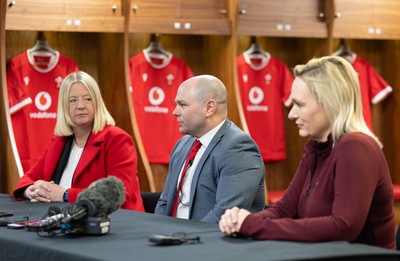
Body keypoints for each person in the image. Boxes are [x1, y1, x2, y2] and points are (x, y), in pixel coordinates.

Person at [219, 56, 395, 249]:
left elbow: (343, 227)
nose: (292, 113)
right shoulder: (317, 147)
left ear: (330, 103)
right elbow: (285, 209)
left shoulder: (355, 147)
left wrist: (253, 225)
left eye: (300, 105)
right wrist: (241, 220)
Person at [13, 71, 144, 211]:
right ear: (64, 107)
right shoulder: (59, 141)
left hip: (117, 223)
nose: (80, 105)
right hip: (67, 220)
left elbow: (117, 195)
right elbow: (29, 177)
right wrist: (30, 190)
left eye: (87, 99)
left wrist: (64, 195)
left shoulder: (116, 138)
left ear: (97, 103)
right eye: (73, 100)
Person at [154, 75, 265, 224]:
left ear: (209, 108)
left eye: (182, 105)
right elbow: (165, 201)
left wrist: (181, 241)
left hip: (207, 243)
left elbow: (224, 216)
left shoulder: (238, 148)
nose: (175, 111)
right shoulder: (182, 145)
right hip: (173, 239)